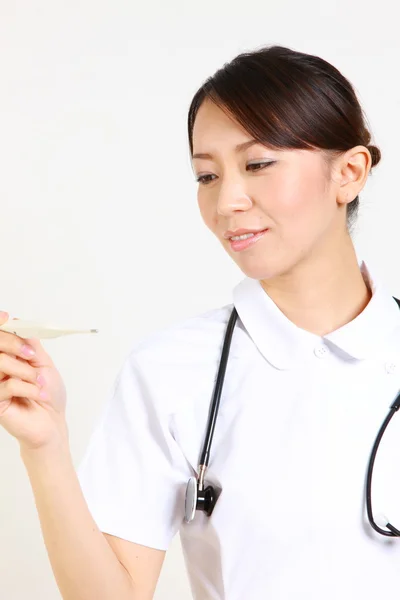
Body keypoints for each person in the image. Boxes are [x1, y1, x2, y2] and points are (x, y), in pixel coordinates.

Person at [0, 43, 399, 600]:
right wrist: (45, 448)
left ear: (349, 173)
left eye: (257, 164)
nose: (227, 201)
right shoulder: (171, 371)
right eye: (206, 176)